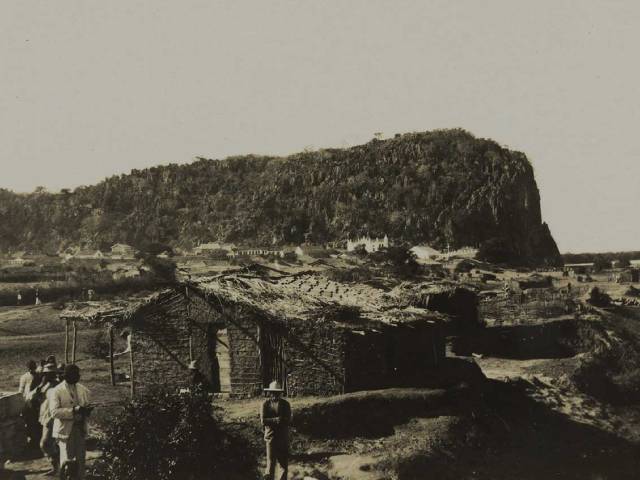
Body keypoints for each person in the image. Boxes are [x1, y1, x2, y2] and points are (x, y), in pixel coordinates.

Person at [50, 364, 92, 480]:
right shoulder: (57, 391)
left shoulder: (82, 389)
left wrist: (87, 411)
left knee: (81, 460)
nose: (77, 377)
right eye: (74, 375)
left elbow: (87, 404)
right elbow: (54, 412)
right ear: (66, 376)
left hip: (80, 429)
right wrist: (73, 411)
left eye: (78, 374)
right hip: (65, 431)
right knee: (67, 461)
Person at [260, 381, 291, 480]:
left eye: (277, 393)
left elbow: (288, 419)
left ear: (280, 393)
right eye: (273, 392)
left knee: (283, 464)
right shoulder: (265, 404)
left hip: (282, 437)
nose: (275, 395)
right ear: (269, 393)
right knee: (270, 463)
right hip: (270, 437)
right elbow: (263, 420)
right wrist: (276, 420)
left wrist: (282, 421)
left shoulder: (285, 404)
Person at [35, 363, 61, 476]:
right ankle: (56, 467)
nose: (47, 375)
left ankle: (57, 467)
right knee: (51, 443)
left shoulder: (57, 385)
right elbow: (37, 398)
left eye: (50, 373)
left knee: (45, 444)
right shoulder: (45, 384)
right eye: (46, 373)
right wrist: (40, 386)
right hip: (44, 415)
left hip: (52, 417)